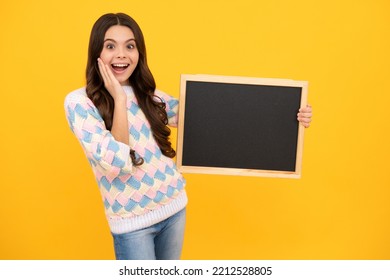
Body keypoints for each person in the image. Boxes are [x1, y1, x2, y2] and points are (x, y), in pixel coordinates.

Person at [64, 12, 313, 260]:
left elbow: (203, 115)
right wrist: (118, 98)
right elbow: (118, 160)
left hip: (174, 208)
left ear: (139, 54)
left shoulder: (148, 95)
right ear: (97, 52)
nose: (121, 54)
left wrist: (288, 114)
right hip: (132, 226)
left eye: (130, 46)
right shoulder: (80, 103)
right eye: (110, 46)